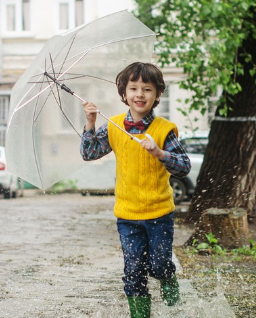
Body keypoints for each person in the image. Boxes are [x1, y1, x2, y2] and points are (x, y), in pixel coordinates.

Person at [80, 62, 191, 318]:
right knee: (133, 271)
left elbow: (183, 167)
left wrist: (159, 152)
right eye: (133, 88)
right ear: (124, 93)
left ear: (157, 94)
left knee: (160, 265)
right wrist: (90, 122)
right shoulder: (114, 126)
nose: (139, 94)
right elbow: (89, 153)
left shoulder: (164, 129)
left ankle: (168, 279)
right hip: (127, 216)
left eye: (147, 89)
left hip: (159, 214)